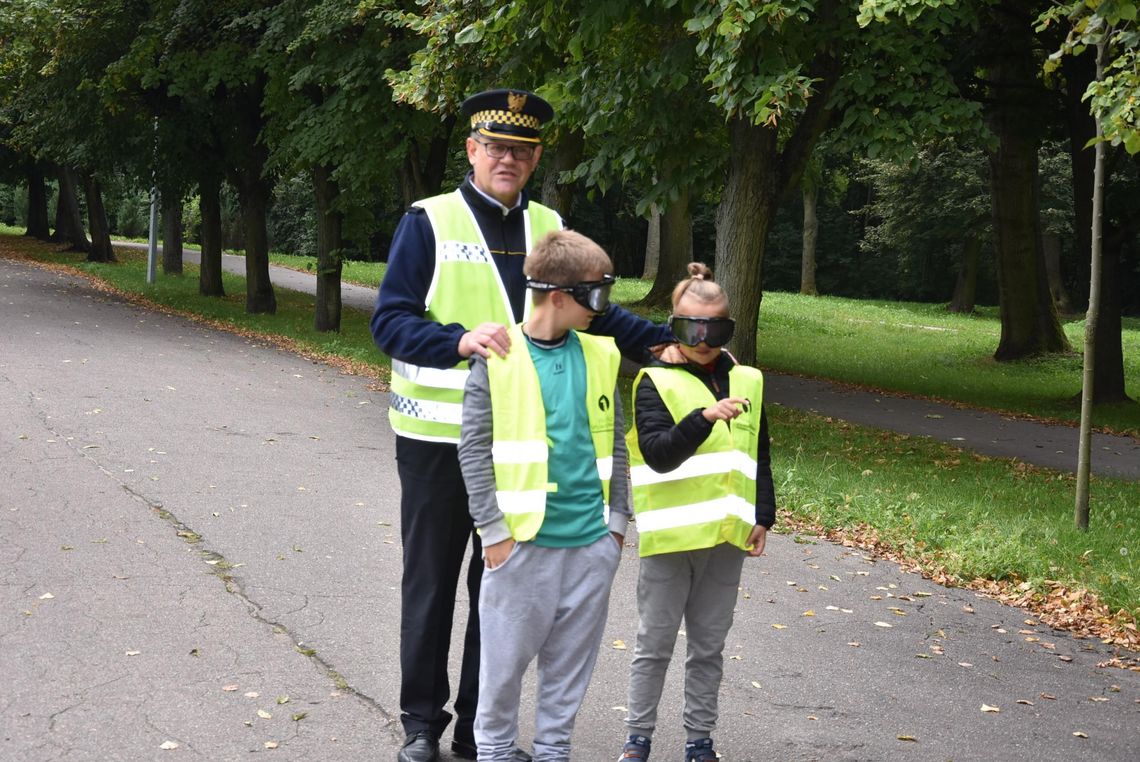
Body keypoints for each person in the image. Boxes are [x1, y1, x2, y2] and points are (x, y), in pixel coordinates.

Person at [371, 88, 671, 762]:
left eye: (522, 150)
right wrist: (456, 340)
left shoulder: (549, 224)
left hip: (524, 455)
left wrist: (664, 344)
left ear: (535, 160)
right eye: (496, 147)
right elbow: (388, 321)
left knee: (501, 592)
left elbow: (594, 311)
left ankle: (482, 728)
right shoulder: (429, 219)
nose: (508, 159)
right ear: (473, 150)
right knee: (431, 580)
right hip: (435, 438)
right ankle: (422, 723)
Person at [458, 229, 629, 762]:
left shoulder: (602, 355)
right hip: (521, 547)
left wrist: (616, 525)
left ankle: (554, 751)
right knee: (503, 667)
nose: (600, 308)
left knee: (570, 668)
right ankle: (496, 751)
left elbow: (616, 443)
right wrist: (494, 531)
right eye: (594, 295)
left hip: (590, 545)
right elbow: (473, 452)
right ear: (559, 296)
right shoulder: (497, 358)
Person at [617, 262, 777, 762]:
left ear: (729, 327)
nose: (703, 339)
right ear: (674, 325)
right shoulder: (653, 380)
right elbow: (660, 454)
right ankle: (637, 740)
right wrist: (704, 417)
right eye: (690, 328)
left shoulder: (746, 379)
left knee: (708, 647)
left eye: (715, 328)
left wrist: (763, 516)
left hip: (726, 538)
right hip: (670, 539)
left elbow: (760, 453)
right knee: (654, 644)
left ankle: (699, 743)